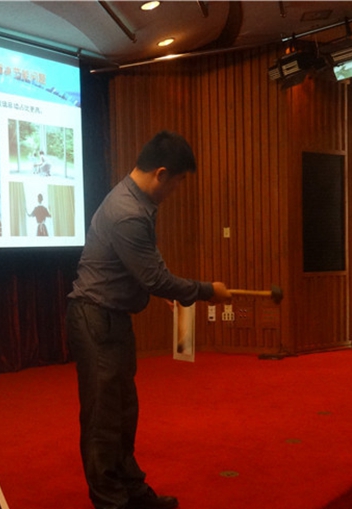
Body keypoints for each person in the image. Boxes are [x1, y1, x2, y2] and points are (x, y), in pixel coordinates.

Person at [66, 131, 232, 509]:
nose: (176, 190)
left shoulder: (137, 202)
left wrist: (164, 292)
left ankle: (132, 493)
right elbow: (155, 278)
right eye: (178, 182)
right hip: (95, 320)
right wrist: (207, 290)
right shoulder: (128, 212)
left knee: (124, 414)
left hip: (111, 319)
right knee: (103, 420)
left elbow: (143, 271)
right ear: (161, 174)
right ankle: (111, 502)